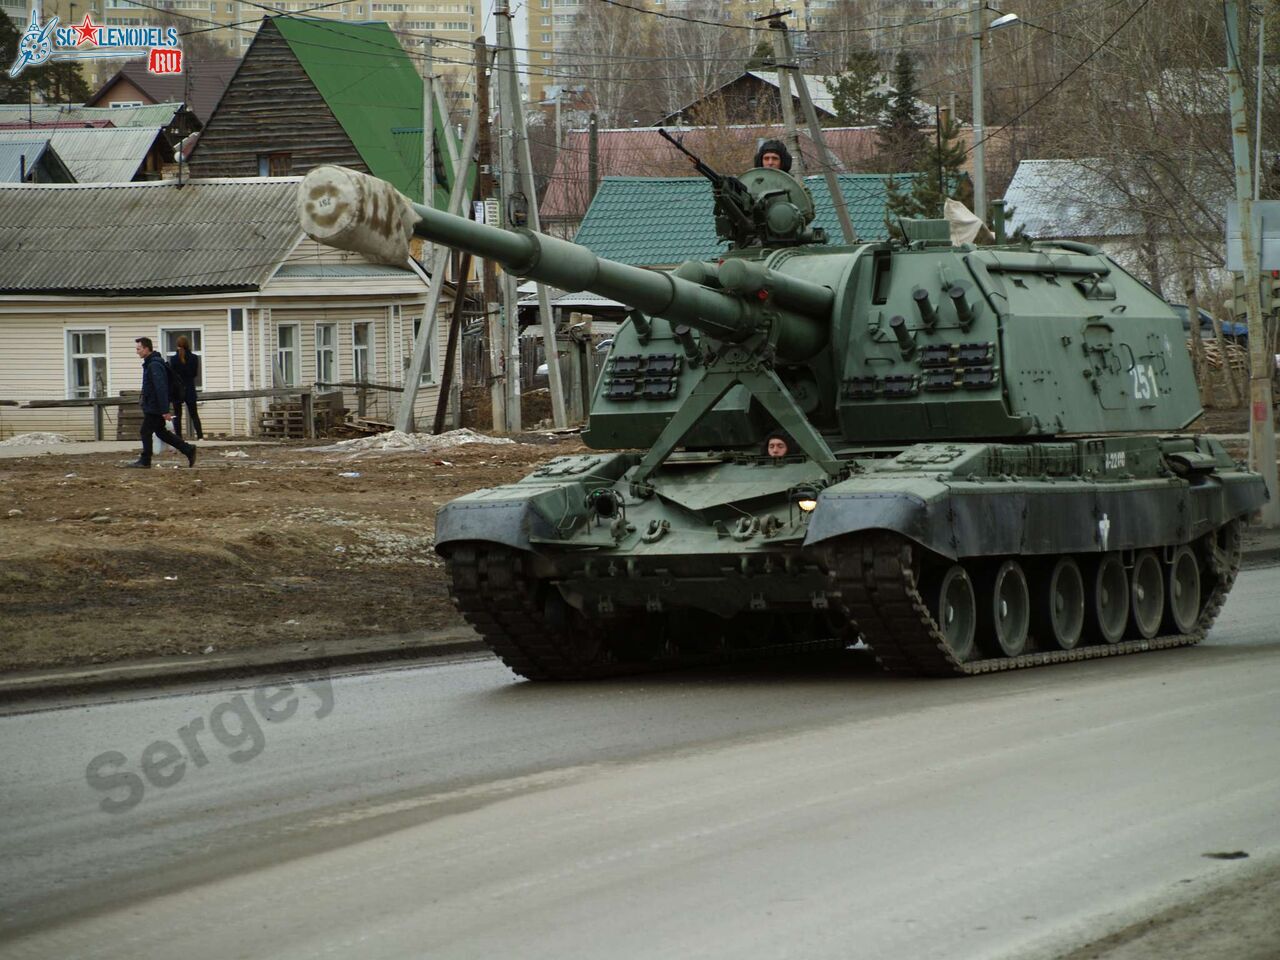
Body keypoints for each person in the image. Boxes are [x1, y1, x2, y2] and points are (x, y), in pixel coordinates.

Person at [126, 337, 197, 469]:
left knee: (145, 431)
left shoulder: (154, 365)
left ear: (146, 349)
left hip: (155, 406)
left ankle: (145, 460)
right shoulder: (151, 363)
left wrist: (165, 410)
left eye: (139, 349)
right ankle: (188, 449)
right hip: (154, 405)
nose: (137, 352)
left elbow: (161, 388)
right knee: (161, 432)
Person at [167, 335, 203, 441]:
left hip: (177, 390)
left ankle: (179, 437)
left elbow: (172, 375)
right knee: (194, 414)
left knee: (177, 414)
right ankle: (200, 436)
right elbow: (194, 374)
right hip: (190, 388)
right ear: (188, 345)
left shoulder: (173, 359)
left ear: (177, 345)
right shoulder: (194, 358)